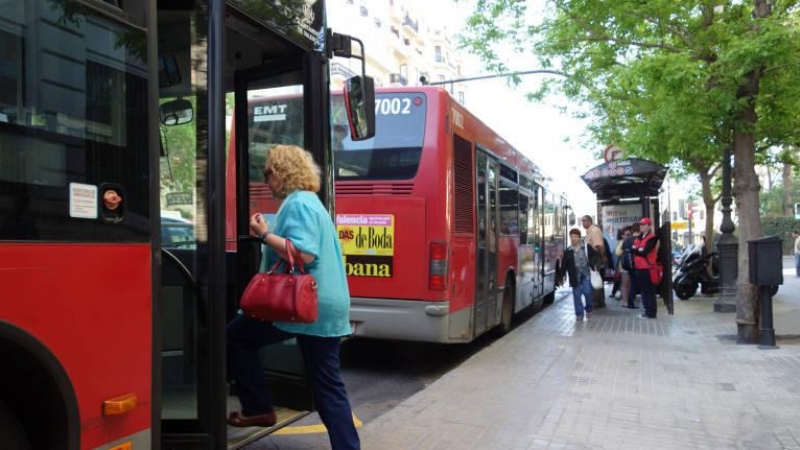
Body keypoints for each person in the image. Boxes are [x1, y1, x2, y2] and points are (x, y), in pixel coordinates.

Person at [226, 145, 360, 449]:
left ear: (282, 172)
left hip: (304, 305)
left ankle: (259, 408)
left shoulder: (298, 203)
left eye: (267, 172)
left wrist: (263, 233)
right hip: (321, 305)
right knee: (328, 385)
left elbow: (304, 252)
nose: (266, 179)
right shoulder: (311, 202)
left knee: (235, 337)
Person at [557, 228, 594, 321]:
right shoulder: (568, 251)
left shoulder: (586, 247)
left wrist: (592, 264)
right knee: (577, 295)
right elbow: (564, 265)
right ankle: (579, 314)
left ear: (579, 237)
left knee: (588, 292)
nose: (573, 238)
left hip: (586, 274)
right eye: (571, 236)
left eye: (575, 236)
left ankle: (589, 309)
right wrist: (561, 276)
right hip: (574, 276)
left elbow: (595, 256)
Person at [632, 217, 660, 319]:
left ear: (649, 226)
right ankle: (647, 311)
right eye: (640, 224)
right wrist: (638, 249)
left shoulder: (652, 238)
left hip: (647, 268)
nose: (641, 226)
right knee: (643, 291)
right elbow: (634, 248)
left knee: (649, 291)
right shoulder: (640, 237)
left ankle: (651, 312)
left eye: (643, 225)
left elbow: (644, 251)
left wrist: (637, 249)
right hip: (639, 267)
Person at [614, 226, 633, 305]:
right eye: (627, 234)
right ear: (622, 235)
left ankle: (628, 300)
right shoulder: (622, 242)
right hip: (624, 265)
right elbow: (617, 252)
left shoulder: (633, 240)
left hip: (632, 265)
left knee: (630, 283)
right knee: (625, 283)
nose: (629, 236)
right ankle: (625, 301)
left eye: (630, 234)